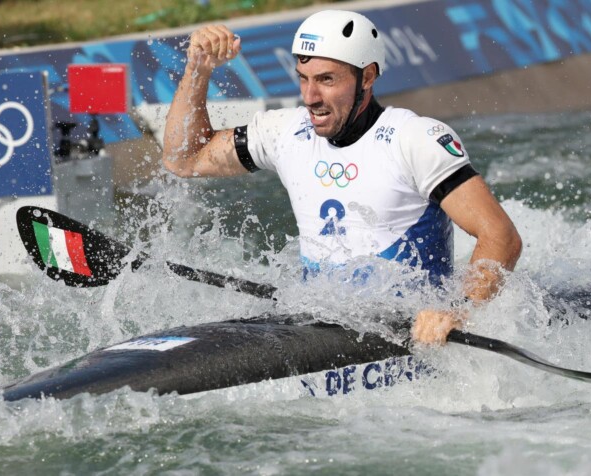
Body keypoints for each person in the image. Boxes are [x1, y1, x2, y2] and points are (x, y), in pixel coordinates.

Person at [161, 10, 522, 344]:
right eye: (303, 79)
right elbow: (184, 159)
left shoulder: (415, 139)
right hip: (327, 335)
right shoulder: (284, 132)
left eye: (327, 80)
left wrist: (460, 310)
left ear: (367, 76)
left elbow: (499, 235)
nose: (310, 97)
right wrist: (198, 69)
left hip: (414, 345)